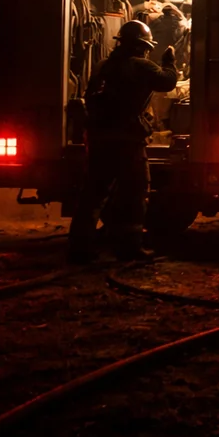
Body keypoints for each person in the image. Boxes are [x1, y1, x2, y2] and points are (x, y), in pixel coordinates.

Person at [67, 20, 179, 263]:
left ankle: (79, 247)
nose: (148, 51)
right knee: (134, 192)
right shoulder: (141, 66)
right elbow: (168, 81)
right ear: (140, 46)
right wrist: (170, 59)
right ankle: (129, 248)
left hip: (99, 139)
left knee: (93, 194)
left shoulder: (101, 66)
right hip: (127, 142)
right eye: (147, 47)